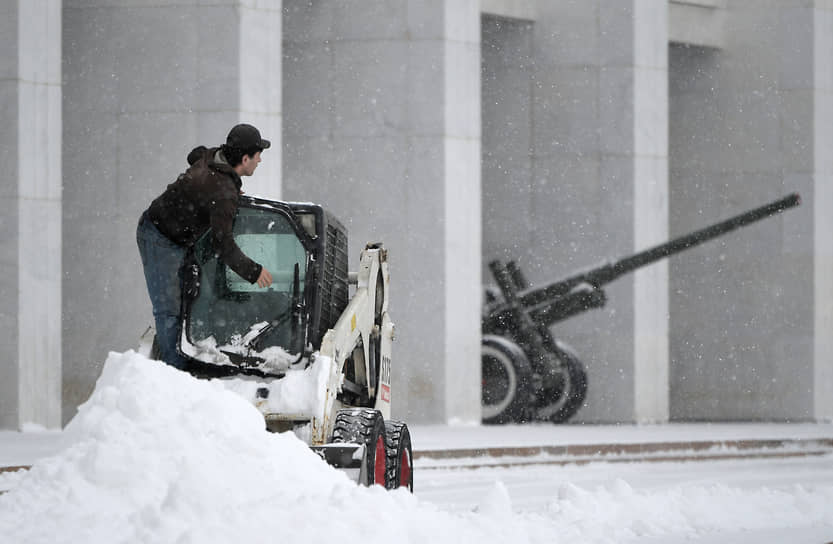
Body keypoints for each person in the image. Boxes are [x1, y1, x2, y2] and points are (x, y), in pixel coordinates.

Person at [136, 123, 274, 369]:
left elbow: (196, 154)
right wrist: (254, 272)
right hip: (159, 236)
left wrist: (224, 190)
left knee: (198, 292)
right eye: (258, 155)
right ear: (244, 158)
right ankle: (174, 372)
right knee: (169, 308)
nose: (260, 160)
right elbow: (224, 244)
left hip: (183, 236)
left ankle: (195, 349)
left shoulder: (214, 158)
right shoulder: (223, 193)